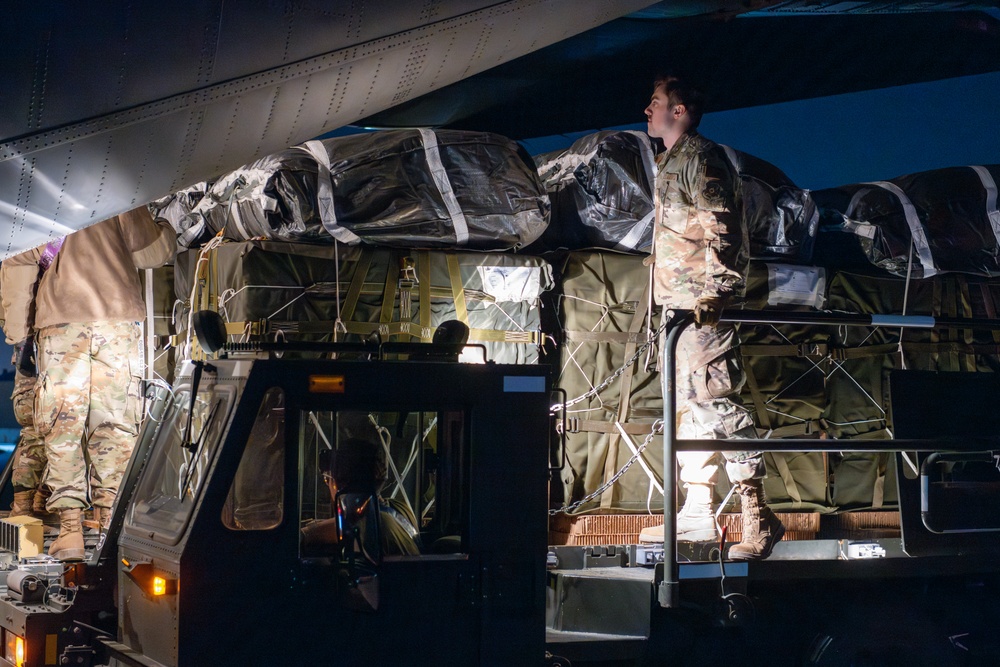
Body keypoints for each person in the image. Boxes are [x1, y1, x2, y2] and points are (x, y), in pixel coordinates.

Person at [637, 75, 784, 560]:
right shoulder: (671, 161)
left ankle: (757, 513)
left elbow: (722, 227)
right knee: (687, 407)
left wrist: (717, 292)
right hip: (676, 306)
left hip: (701, 309)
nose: (647, 110)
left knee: (717, 403)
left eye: (656, 103)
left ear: (679, 110)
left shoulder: (701, 159)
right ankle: (697, 509)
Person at [2, 207, 175, 560]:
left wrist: (19, 334)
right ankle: (110, 523)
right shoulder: (124, 193)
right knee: (115, 426)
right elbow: (153, 252)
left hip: (62, 324)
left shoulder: (47, 196)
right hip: (118, 322)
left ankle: (70, 531)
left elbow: (17, 261)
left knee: (61, 425)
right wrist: (165, 227)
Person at [302, 438, 421, 557]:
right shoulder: (399, 509)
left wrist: (305, 533)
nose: (328, 484)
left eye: (327, 479)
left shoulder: (368, 525)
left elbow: (350, 525)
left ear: (339, 483)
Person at [0, 254, 51, 521]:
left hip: (33, 349)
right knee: (45, 434)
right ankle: (30, 507)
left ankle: (32, 506)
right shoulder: (28, 252)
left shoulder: (20, 251)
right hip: (37, 350)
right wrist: (24, 345)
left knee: (41, 435)